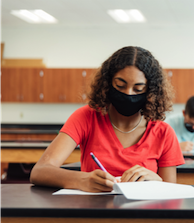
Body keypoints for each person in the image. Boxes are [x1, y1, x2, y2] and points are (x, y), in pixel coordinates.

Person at [31, 46, 185, 192]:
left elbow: (170, 192)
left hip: (143, 215)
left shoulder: (163, 133)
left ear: (151, 92)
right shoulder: (86, 117)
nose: (129, 94)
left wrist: (156, 181)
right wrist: (81, 180)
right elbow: (40, 171)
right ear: (107, 83)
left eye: (138, 89)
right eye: (120, 85)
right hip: (95, 215)